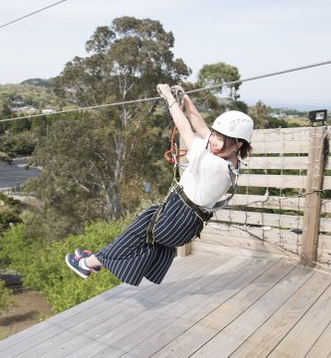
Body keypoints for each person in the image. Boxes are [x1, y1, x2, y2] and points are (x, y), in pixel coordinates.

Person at [65, 84, 254, 286]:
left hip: (177, 217)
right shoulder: (232, 160)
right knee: (140, 236)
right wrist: (186, 99)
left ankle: (86, 264)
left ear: (238, 144)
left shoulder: (214, 164)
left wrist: (169, 98)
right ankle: (95, 261)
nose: (213, 141)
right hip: (185, 222)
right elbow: (201, 128)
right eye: (215, 135)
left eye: (220, 139)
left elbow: (185, 129)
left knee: (133, 235)